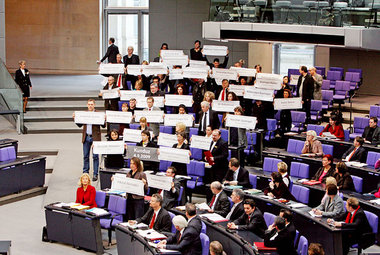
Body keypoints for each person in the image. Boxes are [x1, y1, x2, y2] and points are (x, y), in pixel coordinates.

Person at [73, 99, 105, 181]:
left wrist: (104, 119)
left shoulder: (98, 114)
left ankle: (95, 174)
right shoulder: (84, 114)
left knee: (95, 157)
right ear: (87, 105)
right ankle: (85, 173)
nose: (90, 106)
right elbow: (79, 125)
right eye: (89, 104)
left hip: (95, 138)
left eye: (92, 104)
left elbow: (103, 126)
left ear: (94, 105)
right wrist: (75, 118)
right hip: (86, 137)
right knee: (86, 156)